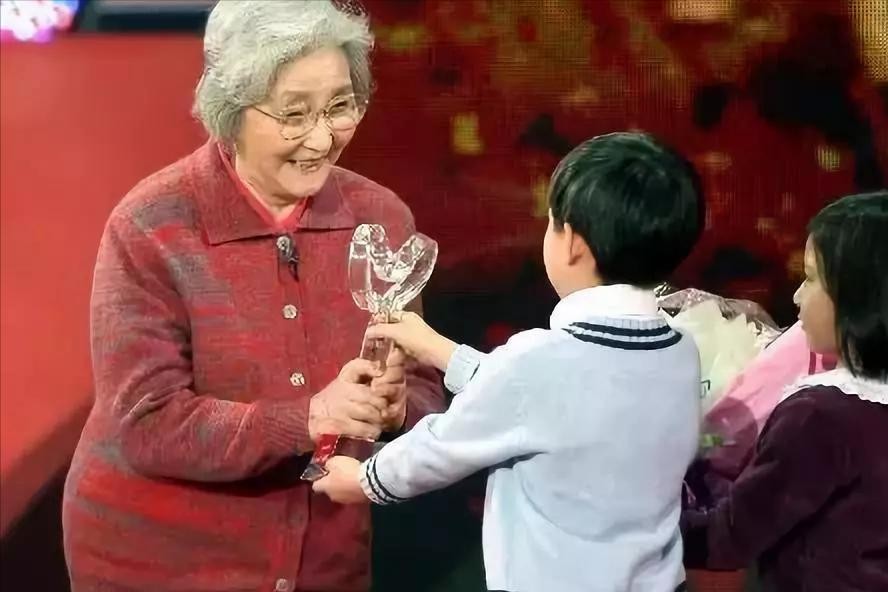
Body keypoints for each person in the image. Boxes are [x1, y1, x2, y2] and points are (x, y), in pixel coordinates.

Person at [61, 2, 444, 591]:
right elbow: (147, 422)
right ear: (230, 110)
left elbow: (421, 388)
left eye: (340, 107)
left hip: (324, 560)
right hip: (160, 563)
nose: (322, 138)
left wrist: (396, 409)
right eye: (294, 114)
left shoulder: (380, 218)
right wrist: (308, 418)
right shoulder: (152, 225)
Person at [314, 132, 706, 592]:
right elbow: (550, 405)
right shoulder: (680, 349)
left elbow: (446, 444)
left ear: (572, 243)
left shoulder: (540, 361)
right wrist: (440, 350)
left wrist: (363, 479)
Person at [681, 191, 888, 592]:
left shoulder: (818, 416)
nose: (796, 296)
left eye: (810, 279)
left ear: (860, 297)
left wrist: (648, 518)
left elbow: (730, 537)